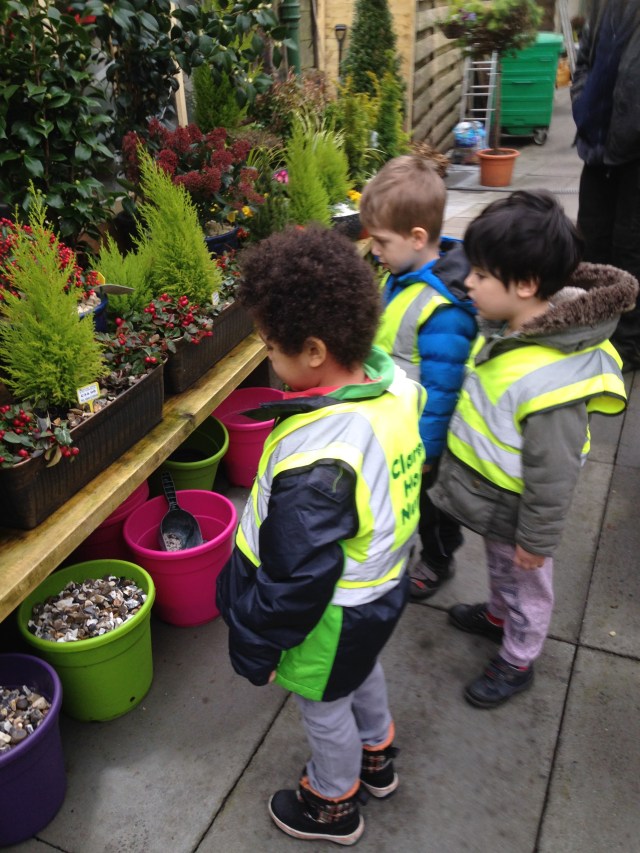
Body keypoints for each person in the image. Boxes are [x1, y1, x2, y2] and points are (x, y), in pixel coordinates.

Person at [216, 226, 426, 845]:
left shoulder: (321, 459)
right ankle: (377, 754)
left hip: (331, 616)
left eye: (269, 347)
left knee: (323, 704)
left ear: (312, 350)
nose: (267, 360)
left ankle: (333, 802)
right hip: (381, 588)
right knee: (359, 673)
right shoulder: (395, 389)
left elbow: (296, 577)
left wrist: (255, 644)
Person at [430, 190, 637, 709]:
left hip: (523, 510)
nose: (468, 282)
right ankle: (499, 615)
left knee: (528, 582)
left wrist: (537, 540)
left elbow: (554, 473)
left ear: (524, 285)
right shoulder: (508, 330)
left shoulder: (551, 377)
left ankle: (519, 656)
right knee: (502, 569)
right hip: (495, 498)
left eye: (481, 274)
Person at [359, 155, 477, 600]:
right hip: (399, 427)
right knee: (404, 499)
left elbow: (443, 389)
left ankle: (438, 559)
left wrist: (426, 452)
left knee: (432, 507)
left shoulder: (442, 308)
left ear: (417, 238)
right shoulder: (404, 273)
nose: (374, 250)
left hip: (425, 440)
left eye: (382, 242)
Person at [571, 0, 640, 369]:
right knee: (592, 242)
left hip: (635, 152)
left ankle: (628, 344)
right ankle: (592, 331)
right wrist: (582, 104)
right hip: (597, 143)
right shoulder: (605, 4)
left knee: (631, 247)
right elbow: (584, 59)